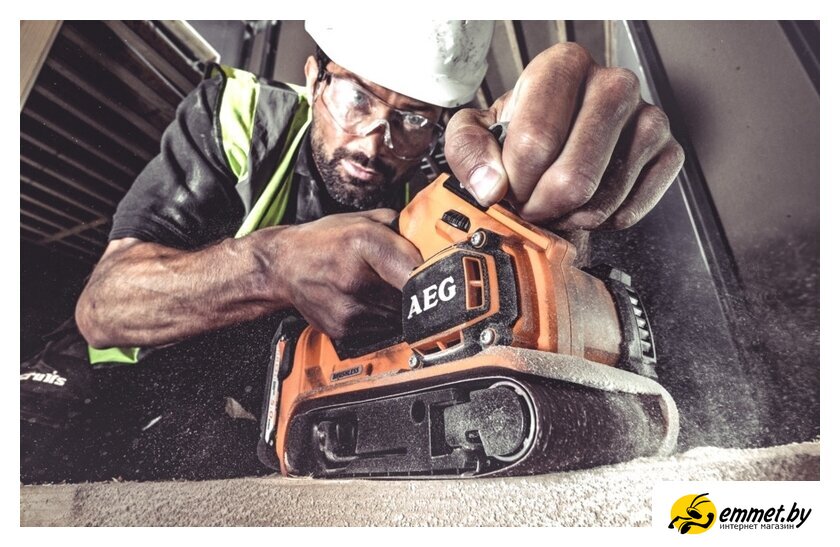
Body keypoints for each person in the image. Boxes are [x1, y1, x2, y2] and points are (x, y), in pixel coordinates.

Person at [22, 20, 684, 481]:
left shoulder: (437, 184)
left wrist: (537, 180)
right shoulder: (238, 116)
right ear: (315, 77)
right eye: (358, 97)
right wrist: (273, 263)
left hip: (240, 412)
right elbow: (103, 305)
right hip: (101, 376)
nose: (374, 140)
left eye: (412, 118)